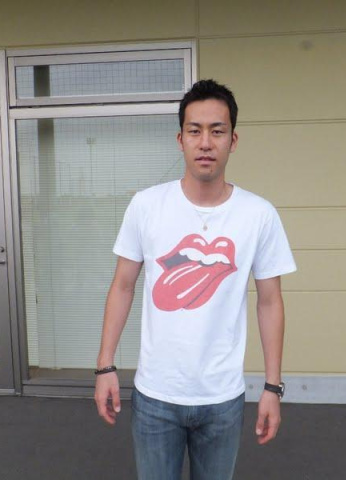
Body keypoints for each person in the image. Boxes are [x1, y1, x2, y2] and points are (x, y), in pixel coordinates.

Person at [94, 79, 296, 480]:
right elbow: (122, 286)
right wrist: (105, 367)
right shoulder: (147, 206)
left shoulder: (258, 215)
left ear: (233, 140)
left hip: (222, 398)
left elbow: (270, 301)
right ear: (180, 139)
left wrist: (273, 388)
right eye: (195, 131)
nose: (206, 142)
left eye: (217, 131)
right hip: (156, 395)